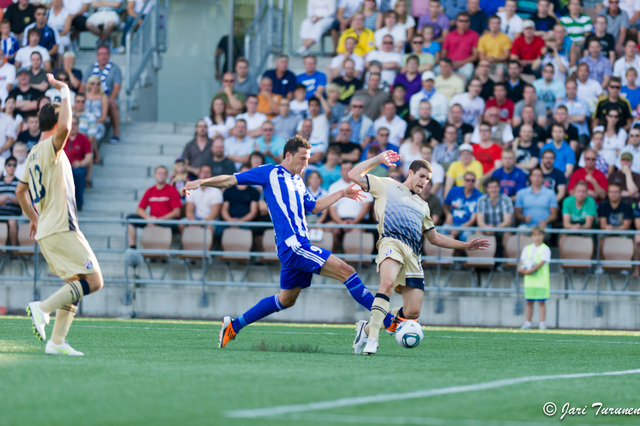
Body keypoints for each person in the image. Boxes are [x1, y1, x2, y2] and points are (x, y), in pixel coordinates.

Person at [184, 136, 383, 348]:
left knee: (286, 300)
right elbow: (231, 180)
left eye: (308, 159)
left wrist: (342, 193)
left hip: (294, 247)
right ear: (288, 155)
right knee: (348, 272)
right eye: (302, 158)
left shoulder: (298, 180)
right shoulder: (269, 172)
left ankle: (233, 326)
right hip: (294, 245)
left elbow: (314, 207)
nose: (306, 163)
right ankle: (389, 323)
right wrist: (202, 182)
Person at [349, 152, 490, 355]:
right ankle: (373, 340)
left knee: (413, 312)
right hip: (391, 242)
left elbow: (434, 238)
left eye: (428, 179)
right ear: (411, 172)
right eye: (422, 176)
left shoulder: (423, 206)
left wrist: (465, 245)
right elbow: (353, 174)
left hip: (413, 255)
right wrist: (379, 159)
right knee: (386, 284)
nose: (424, 182)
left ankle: (368, 327)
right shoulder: (387, 184)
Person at [18, 73, 103, 356]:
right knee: (94, 281)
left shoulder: (32, 154)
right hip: (60, 227)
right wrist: (65, 90)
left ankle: (56, 342)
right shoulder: (51, 147)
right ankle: (41, 309)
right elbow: (66, 126)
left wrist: (32, 217)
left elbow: (20, 191)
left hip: (46, 230)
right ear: (55, 125)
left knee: (76, 282)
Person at [127, 165, 182, 248]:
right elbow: (139, 209)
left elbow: (177, 212)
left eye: (164, 174)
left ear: (166, 176)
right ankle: (132, 248)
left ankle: (164, 253)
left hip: (166, 221)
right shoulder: (150, 191)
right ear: (155, 175)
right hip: (152, 219)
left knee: (172, 225)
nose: (161, 175)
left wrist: (159, 220)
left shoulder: (172, 190)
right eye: (159, 173)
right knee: (130, 218)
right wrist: (149, 218)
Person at [79, 45, 122, 144]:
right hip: (92, 97)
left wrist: (109, 100)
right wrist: (81, 98)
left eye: (106, 54)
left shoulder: (115, 69)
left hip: (108, 98)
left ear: (109, 55)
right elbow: (83, 86)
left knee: (112, 104)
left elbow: (117, 87)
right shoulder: (91, 69)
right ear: (97, 56)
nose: (103, 57)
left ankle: (116, 134)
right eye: (101, 54)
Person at [328, 159, 374, 249]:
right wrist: (341, 223)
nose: (347, 171)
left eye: (350, 169)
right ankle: (333, 258)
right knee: (328, 228)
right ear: (341, 171)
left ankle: (353, 261)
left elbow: (366, 206)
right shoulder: (334, 186)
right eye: (345, 169)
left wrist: (354, 222)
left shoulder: (362, 184)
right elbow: (332, 208)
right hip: (339, 221)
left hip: (358, 221)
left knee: (356, 232)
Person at [518, 225, 550, 330]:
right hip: (530, 281)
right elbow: (521, 262)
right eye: (535, 235)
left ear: (543, 236)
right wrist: (520, 269)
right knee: (529, 302)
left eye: (539, 235)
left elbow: (541, 262)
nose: (537, 237)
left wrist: (531, 270)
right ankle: (527, 322)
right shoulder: (527, 248)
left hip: (541, 281)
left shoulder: (546, 249)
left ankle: (542, 323)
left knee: (541, 302)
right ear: (532, 236)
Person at [443, 171, 483, 242]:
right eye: (468, 180)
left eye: (473, 180)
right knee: (443, 231)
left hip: (467, 227)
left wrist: (458, 229)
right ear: (464, 181)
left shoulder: (479, 196)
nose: (470, 182)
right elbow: (445, 206)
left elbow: (473, 220)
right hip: (452, 223)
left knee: (466, 236)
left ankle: (460, 252)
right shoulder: (454, 191)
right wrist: (448, 214)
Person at [63, 115, 92, 211]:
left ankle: (78, 203)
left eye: (75, 124)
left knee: (78, 173)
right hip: (63, 167)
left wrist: (80, 163)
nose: (73, 126)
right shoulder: (62, 138)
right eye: (71, 124)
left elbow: (89, 157)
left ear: (78, 125)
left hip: (77, 166)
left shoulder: (83, 139)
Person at [477, 176, 514, 249]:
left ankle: (506, 258)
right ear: (487, 189)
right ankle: (481, 258)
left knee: (507, 233)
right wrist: (487, 228)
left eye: (495, 187)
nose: (493, 190)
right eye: (491, 187)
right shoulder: (482, 200)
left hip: (501, 229)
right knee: (477, 233)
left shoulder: (506, 199)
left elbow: (507, 222)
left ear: (499, 188)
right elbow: (480, 222)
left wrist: (494, 228)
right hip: (487, 228)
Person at [441, 12, 478, 82]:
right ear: (456, 22)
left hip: (465, 65)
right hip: (450, 64)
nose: (463, 23)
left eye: (466, 21)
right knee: (437, 69)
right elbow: (444, 53)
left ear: (469, 23)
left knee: (470, 67)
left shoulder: (474, 35)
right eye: (461, 21)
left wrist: (461, 63)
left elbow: (475, 56)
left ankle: (461, 88)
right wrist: (449, 64)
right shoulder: (450, 35)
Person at [560, 180, 596, 250]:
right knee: (562, 237)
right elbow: (566, 223)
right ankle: (563, 260)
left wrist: (580, 228)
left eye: (583, 192)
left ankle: (589, 260)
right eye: (579, 191)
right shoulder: (567, 201)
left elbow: (588, 224)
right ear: (574, 192)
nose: (581, 194)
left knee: (590, 238)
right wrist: (573, 227)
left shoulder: (591, 201)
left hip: (584, 228)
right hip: (571, 226)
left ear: (587, 193)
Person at [184, 164, 222, 230]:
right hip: (195, 219)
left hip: (210, 220)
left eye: (208, 172)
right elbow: (189, 211)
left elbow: (214, 214)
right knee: (182, 223)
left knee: (209, 227)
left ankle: (211, 240)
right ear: (199, 174)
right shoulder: (192, 189)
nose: (205, 175)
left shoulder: (216, 191)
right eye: (203, 172)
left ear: (211, 175)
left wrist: (202, 223)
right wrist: (194, 222)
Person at [0, 156, 21, 245]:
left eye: (14, 165)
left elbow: (21, 201)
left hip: (13, 212)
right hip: (1, 211)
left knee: (12, 222)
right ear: (5, 166)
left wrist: (8, 197)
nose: (12, 167)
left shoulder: (19, 183)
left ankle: (14, 251)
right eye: (9, 165)